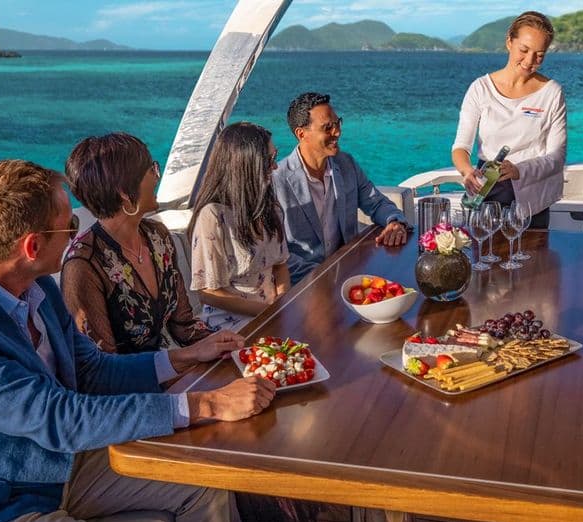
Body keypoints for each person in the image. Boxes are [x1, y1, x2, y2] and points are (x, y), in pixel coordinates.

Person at [0, 159, 275, 522]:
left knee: (204, 481)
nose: (77, 233)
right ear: (32, 247)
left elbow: (92, 369)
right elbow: (57, 417)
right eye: (69, 225)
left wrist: (183, 357)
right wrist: (206, 403)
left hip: (55, 468)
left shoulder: (36, 289)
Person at [61, 132, 230, 354]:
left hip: (174, 369)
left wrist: (229, 346)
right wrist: (182, 364)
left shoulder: (157, 238)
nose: (157, 177)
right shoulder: (83, 266)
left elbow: (184, 326)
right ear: (124, 193)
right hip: (135, 385)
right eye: (152, 170)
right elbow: (100, 367)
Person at [273, 92, 409, 284]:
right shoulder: (277, 181)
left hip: (349, 274)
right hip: (304, 287)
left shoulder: (346, 164)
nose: (337, 132)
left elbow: (376, 203)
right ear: (301, 134)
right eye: (328, 127)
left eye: (337, 123)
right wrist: (325, 275)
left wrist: (395, 221)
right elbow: (278, 254)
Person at [451, 11, 566, 229]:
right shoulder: (480, 89)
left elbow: (556, 157)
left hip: (532, 197)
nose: (529, 61)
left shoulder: (552, 93)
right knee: (485, 259)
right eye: (524, 50)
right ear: (509, 42)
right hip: (487, 192)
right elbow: (461, 147)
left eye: (539, 55)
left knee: (532, 262)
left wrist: (519, 169)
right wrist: (467, 172)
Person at [188, 122, 290, 332]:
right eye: (269, 160)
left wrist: (282, 303)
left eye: (275, 156)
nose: (275, 166)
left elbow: (280, 266)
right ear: (246, 164)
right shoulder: (214, 216)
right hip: (229, 327)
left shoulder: (270, 208)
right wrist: (266, 312)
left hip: (270, 316)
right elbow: (208, 291)